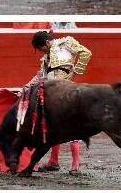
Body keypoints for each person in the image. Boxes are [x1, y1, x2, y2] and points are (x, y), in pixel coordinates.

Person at [29, 30, 92, 174]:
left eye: (41, 48)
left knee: (70, 125)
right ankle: (53, 161)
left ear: (46, 42)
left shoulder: (66, 43)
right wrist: (25, 88)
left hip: (66, 92)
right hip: (52, 96)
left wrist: (75, 72)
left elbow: (86, 53)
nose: (41, 52)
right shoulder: (46, 57)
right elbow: (40, 76)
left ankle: (75, 165)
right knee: (52, 127)